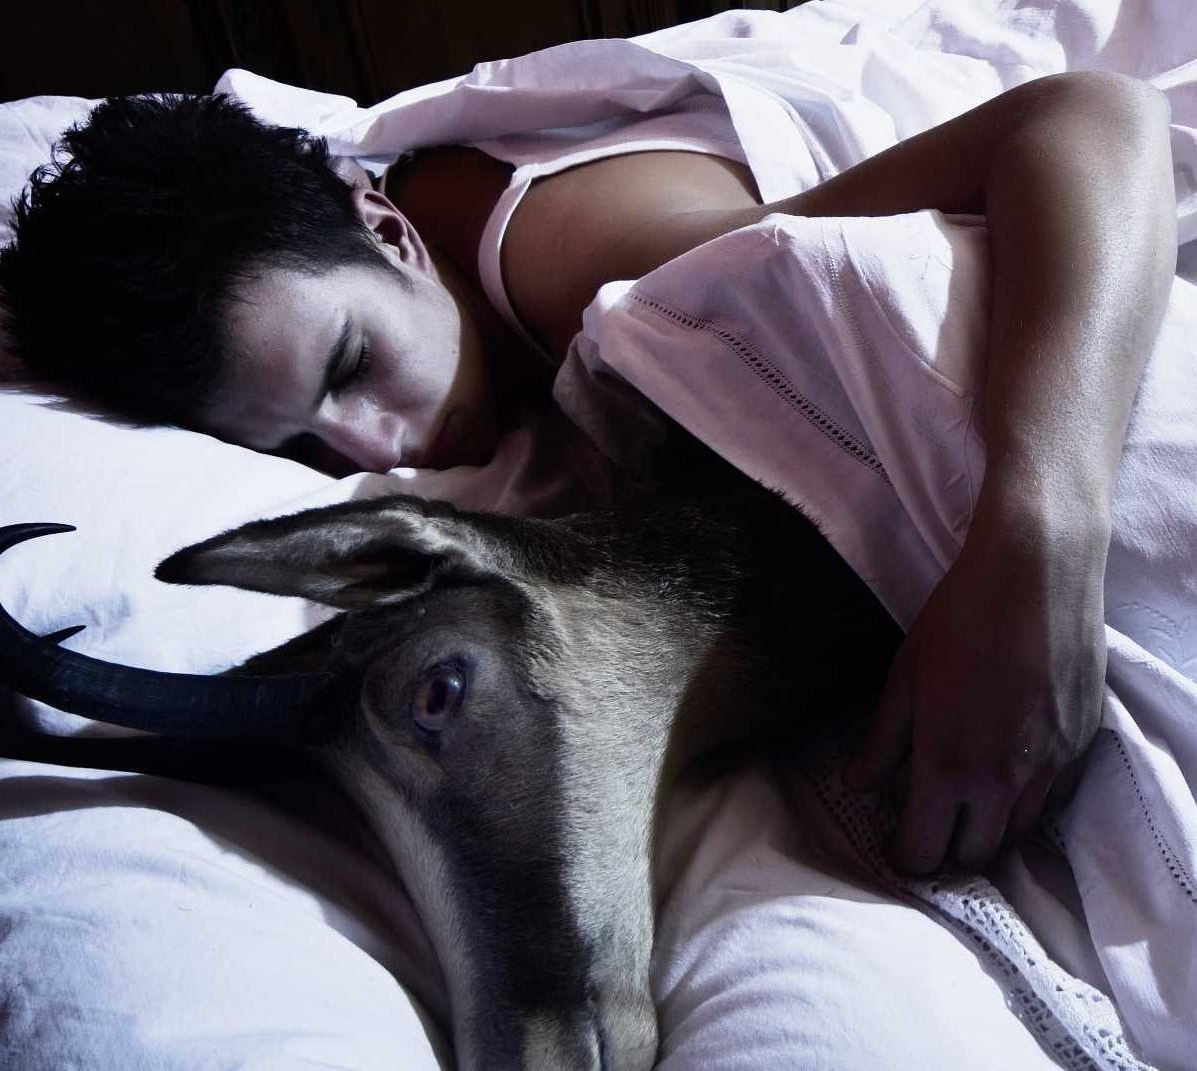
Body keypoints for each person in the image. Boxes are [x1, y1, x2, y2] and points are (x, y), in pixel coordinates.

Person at [0, 72, 1179, 878]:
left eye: (351, 365)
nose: (378, 449)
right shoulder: (411, 295)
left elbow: (1092, 113)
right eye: (302, 446)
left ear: (389, 230)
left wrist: (1040, 533)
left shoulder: (607, 267)